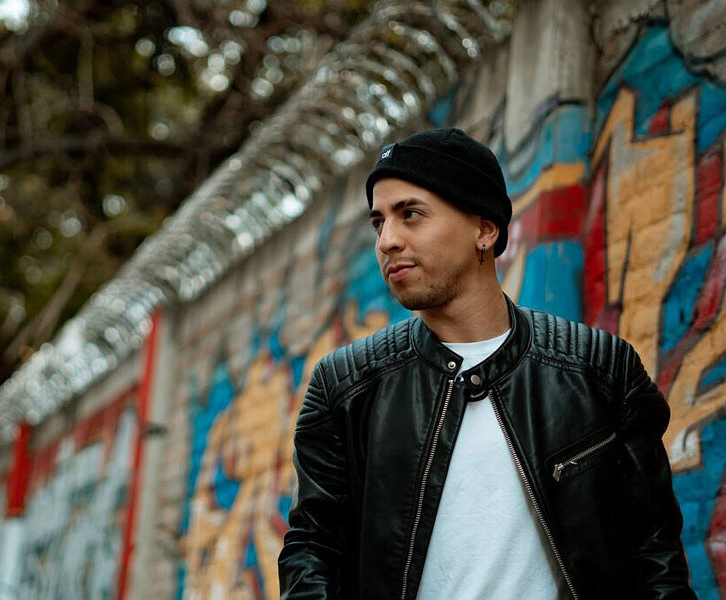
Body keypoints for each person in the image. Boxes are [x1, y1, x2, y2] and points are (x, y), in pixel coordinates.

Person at [277, 128, 696, 599]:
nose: (388, 240)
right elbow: (312, 550)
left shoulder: (597, 370)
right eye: (379, 222)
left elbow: (655, 552)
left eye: (410, 214)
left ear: (484, 230)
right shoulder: (346, 387)